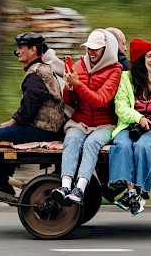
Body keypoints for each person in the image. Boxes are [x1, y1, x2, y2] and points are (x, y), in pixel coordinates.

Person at [0, 32, 65, 204]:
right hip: (47, 127)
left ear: (33, 50)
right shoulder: (43, 69)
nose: (17, 52)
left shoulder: (36, 74)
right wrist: (13, 123)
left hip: (42, 130)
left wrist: (12, 121)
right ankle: (2, 185)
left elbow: (27, 110)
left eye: (21, 48)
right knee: (2, 136)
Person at [51, 29, 122, 206]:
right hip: (80, 121)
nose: (91, 52)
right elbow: (69, 100)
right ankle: (65, 186)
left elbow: (100, 100)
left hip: (105, 124)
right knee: (72, 139)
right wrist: (69, 88)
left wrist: (78, 84)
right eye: (89, 48)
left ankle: (80, 189)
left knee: (92, 144)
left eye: (95, 49)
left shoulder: (115, 70)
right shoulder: (78, 65)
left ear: (106, 49)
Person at [108, 39, 151, 215]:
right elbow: (121, 107)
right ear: (139, 59)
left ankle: (138, 191)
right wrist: (138, 118)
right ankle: (132, 192)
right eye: (149, 56)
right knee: (122, 145)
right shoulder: (126, 79)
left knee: (143, 147)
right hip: (128, 125)